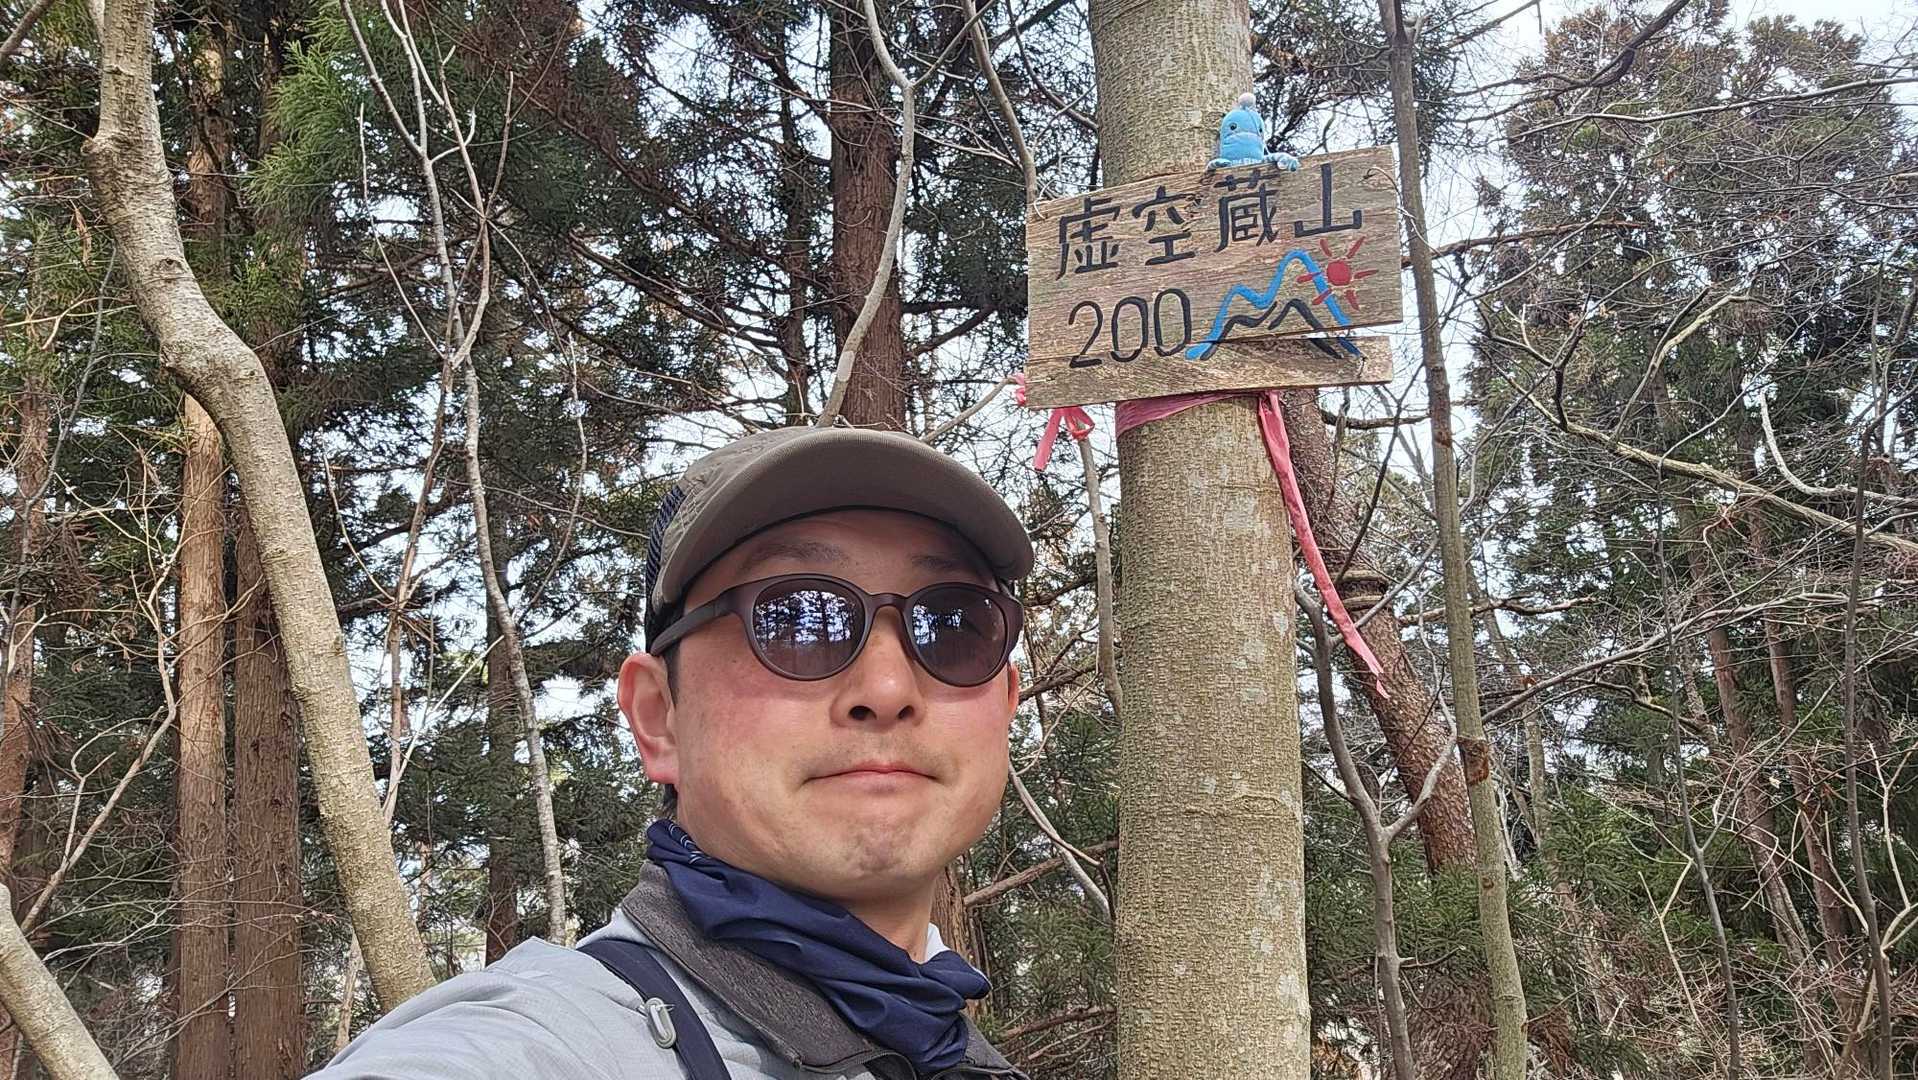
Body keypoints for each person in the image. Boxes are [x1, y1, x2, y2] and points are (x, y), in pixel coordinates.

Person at [311, 424, 1035, 1080]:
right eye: (793, 621)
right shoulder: (545, 1045)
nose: (886, 687)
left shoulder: (955, 1049)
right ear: (659, 719)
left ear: (1005, 705)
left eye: (953, 624)